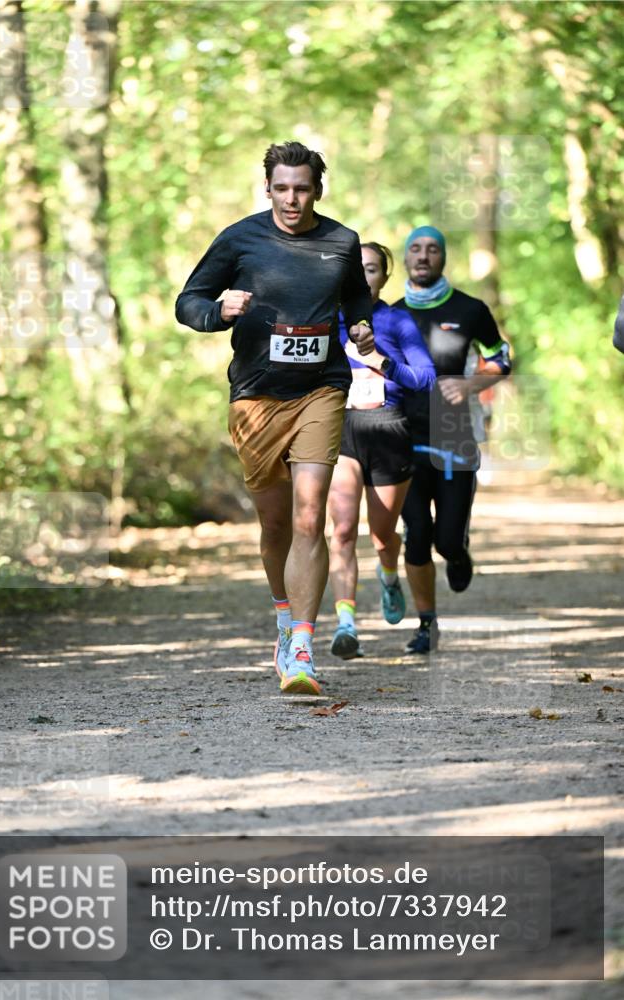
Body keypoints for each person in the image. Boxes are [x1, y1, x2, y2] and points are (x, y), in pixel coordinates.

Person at [175, 141, 375, 695]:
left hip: (322, 389)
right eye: (282, 188)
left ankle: (305, 647)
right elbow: (187, 301)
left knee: (311, 515)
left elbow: (358, 302)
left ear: (318, 189)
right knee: (275, 525)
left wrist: (362, 328)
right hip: (257, 396)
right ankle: (284, 618)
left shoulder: (341, 241)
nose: (292, 199)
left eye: (302, 188)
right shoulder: (240, 239)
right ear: (268, 188)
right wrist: (220, 311)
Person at [394, 226, 512, 654]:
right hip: (404, 439)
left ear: (443, 258)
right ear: (405, 258)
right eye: (415, 249)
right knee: (416, 533)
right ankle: (426, 623)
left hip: (455, 438)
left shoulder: (470, 309)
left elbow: (501, 357)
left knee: (445, 539)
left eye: (432, 250)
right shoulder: (389, 315)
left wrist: (469, 385)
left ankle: (459, 555)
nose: (423, 256)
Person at [327, 243, 436, 660]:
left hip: (389, 428)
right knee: (340, 530)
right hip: (343, 429)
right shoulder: (326, 320)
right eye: (355, 270)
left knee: (382, 534)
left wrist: (380, 360)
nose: (362, 277)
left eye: (370, 270)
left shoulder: (396, 320)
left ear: (383, 278)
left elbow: (425, 379)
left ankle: (388, 574)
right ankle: (346, 623)